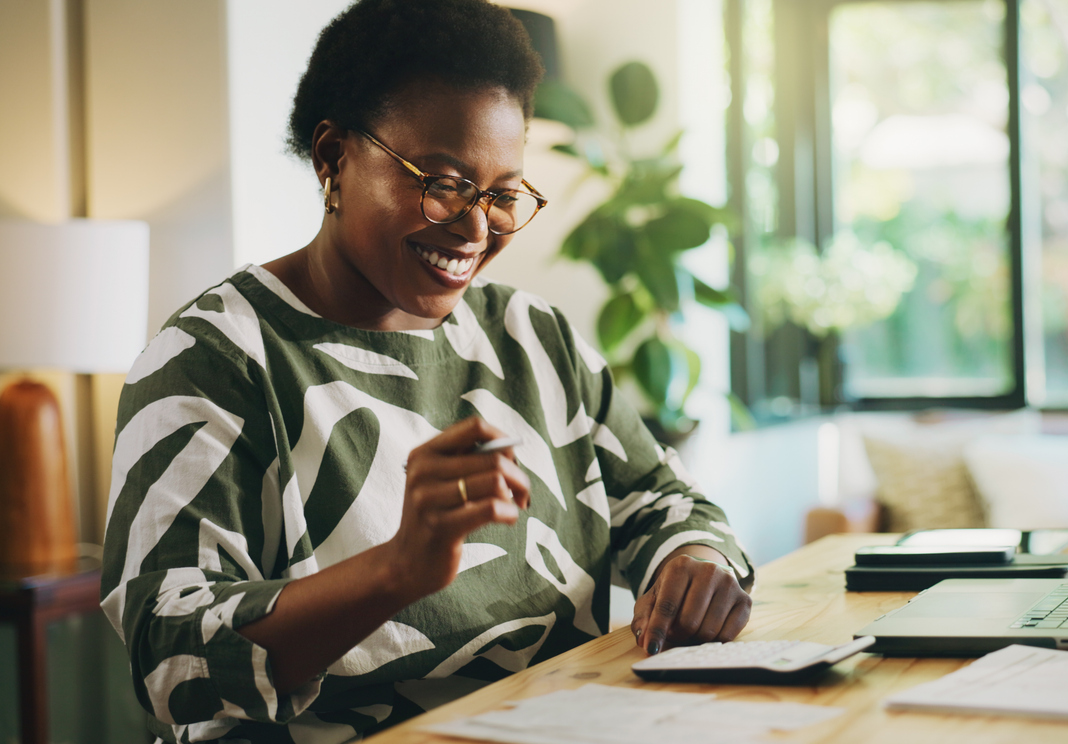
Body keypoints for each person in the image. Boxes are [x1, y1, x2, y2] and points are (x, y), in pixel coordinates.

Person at [99, 2, 753, 741]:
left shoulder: (530, 336)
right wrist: (396, 570)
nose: (475, 228)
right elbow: (169, 659)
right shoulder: (216, 358)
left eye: (503, 195)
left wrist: (692, 557)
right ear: (332, 159)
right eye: (442, 182)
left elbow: (663, 502)